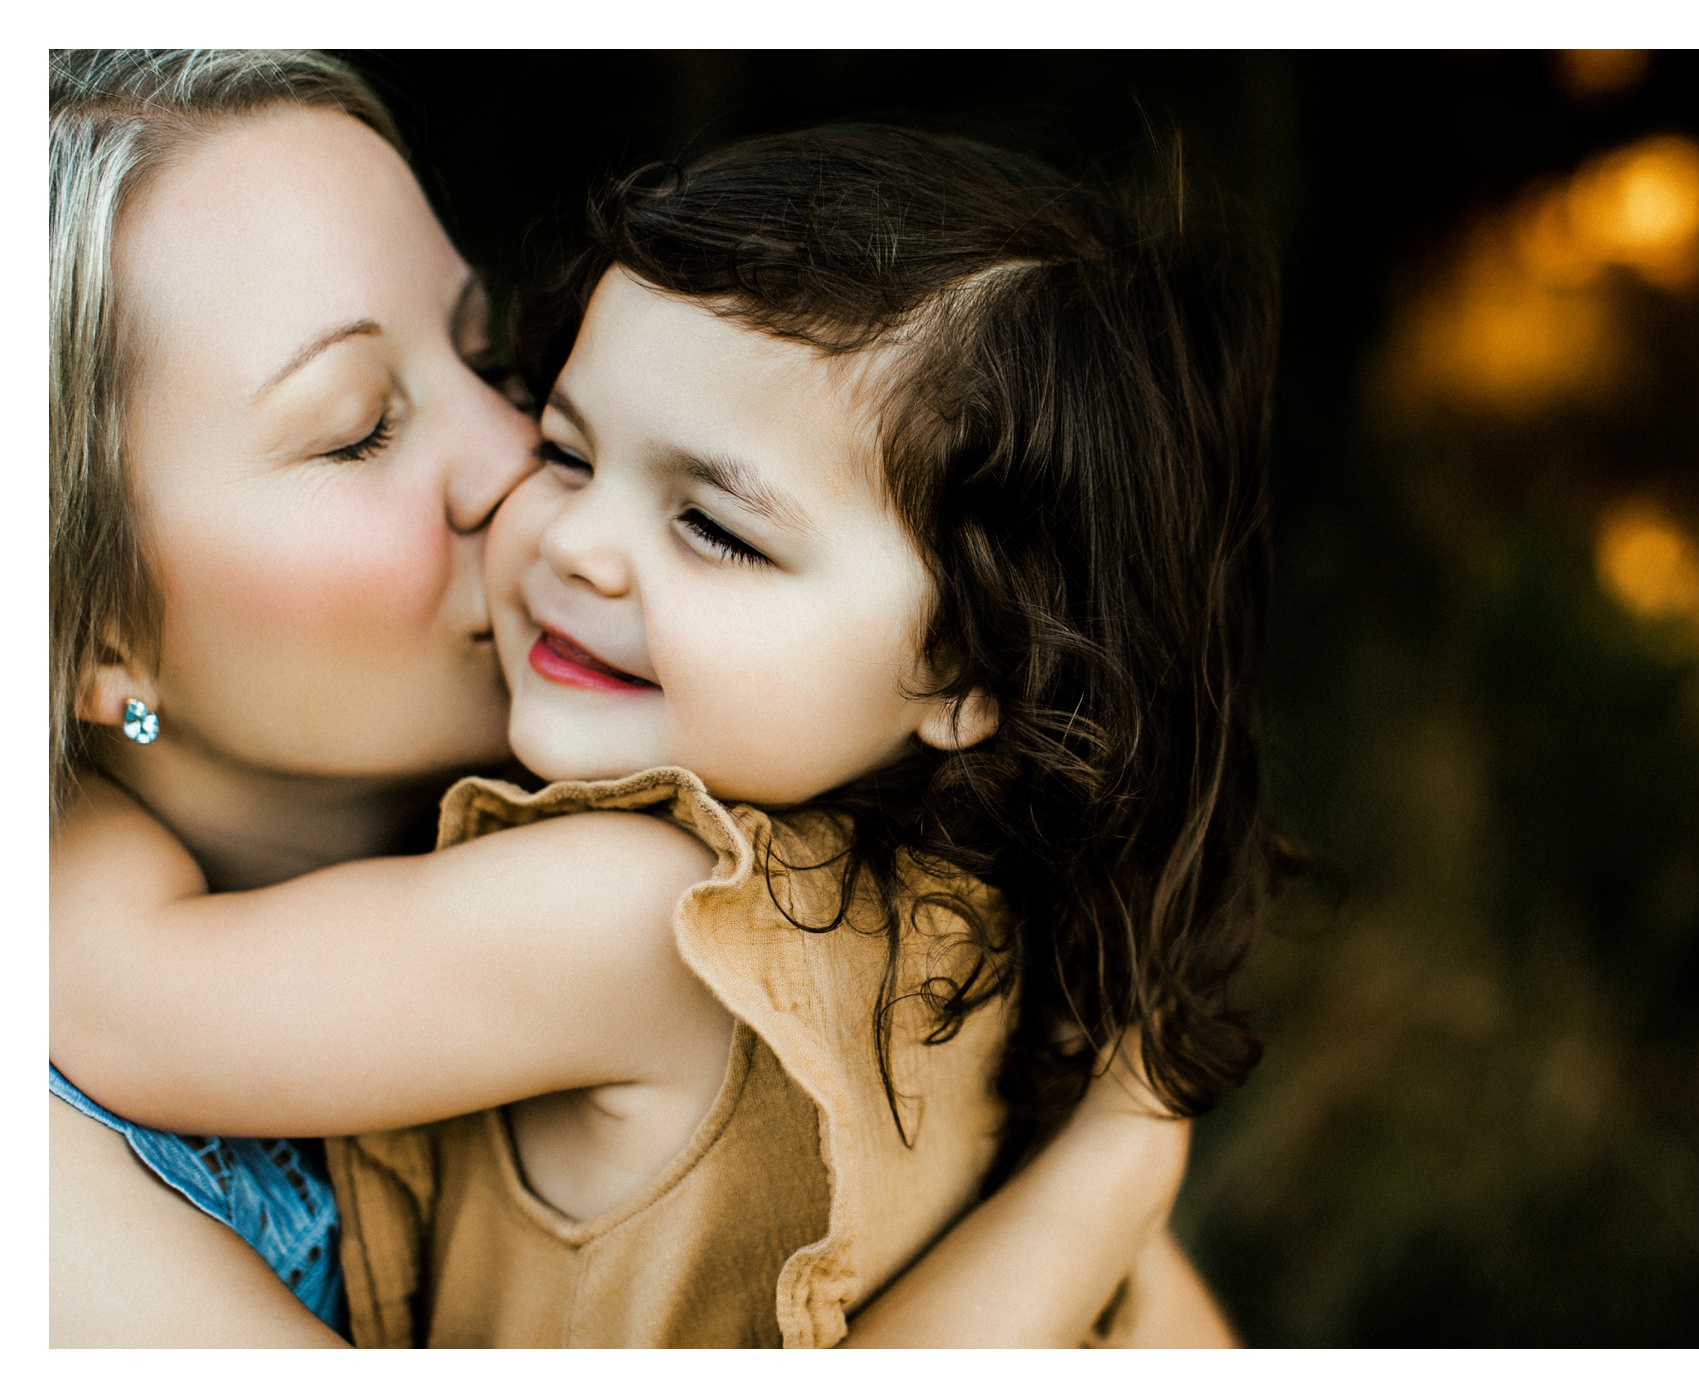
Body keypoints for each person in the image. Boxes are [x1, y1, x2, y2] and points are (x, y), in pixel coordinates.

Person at [49, 50, 1220, 1348]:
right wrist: (1115, 1168)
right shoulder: (50, 1194)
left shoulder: (673, 895)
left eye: (488, 356)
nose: (516, 476)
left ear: (968, 667)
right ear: (82, 624)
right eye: (360, 425)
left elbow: (111, 988)